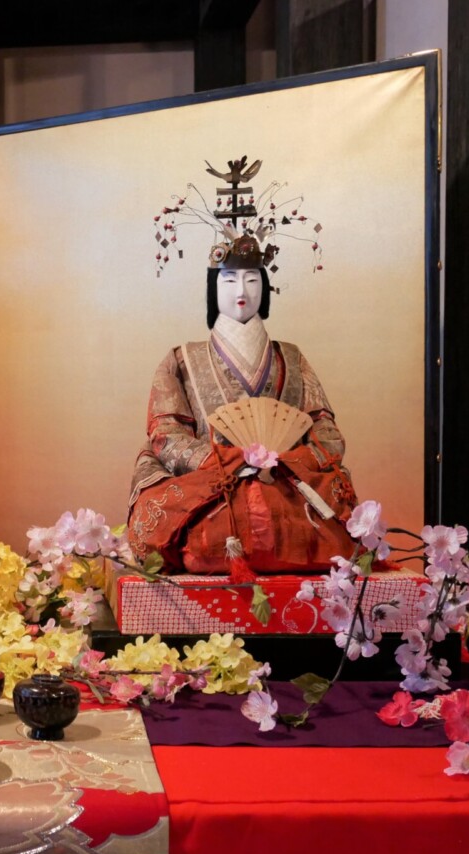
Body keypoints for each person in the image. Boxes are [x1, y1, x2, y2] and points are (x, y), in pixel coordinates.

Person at [128, 191, 357, 575]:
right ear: (212, 287)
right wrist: (228, 462)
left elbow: (324, 428)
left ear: (264, 288)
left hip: (285, 478)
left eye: (252, 280)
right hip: (211, 482)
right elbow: (165, 433)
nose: (241, 291)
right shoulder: (180, 359)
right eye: (229, 279)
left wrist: (289, 462)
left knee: (330, 507)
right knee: (180, 512)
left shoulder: (292, 358)